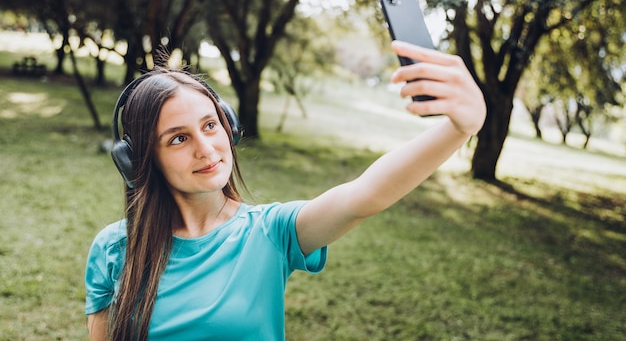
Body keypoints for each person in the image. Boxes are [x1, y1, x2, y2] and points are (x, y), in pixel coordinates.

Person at [84, 40, 486, 341]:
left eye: (210, 125)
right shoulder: (113, 248)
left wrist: (459, 128)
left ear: (229, 125)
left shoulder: (271, 232)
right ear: (139, 161)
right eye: (177, 139)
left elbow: (366, 195)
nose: (206, 149)